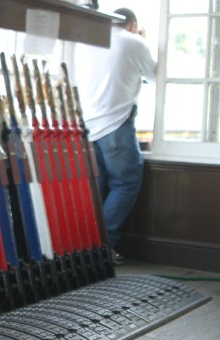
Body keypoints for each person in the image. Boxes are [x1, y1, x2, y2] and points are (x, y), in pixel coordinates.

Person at [73, 7, 157, 264]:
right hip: (116, 125)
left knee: (96, 186)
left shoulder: (87, 42)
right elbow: (156, 77)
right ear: (132, 24)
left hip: (86, 126)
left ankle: (86, 247)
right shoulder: (135, 42)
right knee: (126, 182)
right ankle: (103, 246)